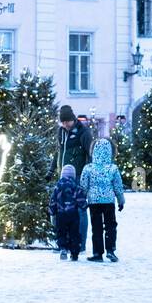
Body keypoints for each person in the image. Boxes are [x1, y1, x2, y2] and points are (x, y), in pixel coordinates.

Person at [80, 138, 125, 262]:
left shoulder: (88, 168)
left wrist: (82, 199)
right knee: (110, 226)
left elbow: (83, 186)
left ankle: (98, 253)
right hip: (109, 202)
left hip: (94, 202)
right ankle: (110, 250)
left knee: (97, 228)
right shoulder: (113, 168)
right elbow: (118, 186)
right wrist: (121, 200)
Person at [57, 105, 93, 251]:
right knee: (62, 210)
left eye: (67, 121)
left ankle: (81, 244)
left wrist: (88, 174)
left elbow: (90, 154)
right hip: (63, 176)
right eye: (63, 122)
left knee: (80, 210)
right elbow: (58, 151)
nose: (65, 124)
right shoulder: (61, 132)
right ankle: (64, 244)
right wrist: (52, 170)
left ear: (73, 119)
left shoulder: (84, 132)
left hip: (79, 176)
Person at [49, 164, 87, 261]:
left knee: (61, 232)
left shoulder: (57, 187)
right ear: (73, 176)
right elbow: (81, 200)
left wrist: (52, 210)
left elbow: (53, 200)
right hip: (73, 214)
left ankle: (63, 248)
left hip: (60, 215)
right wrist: (84, 206)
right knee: (74, 233)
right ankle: (74, 253)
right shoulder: (76, 187)